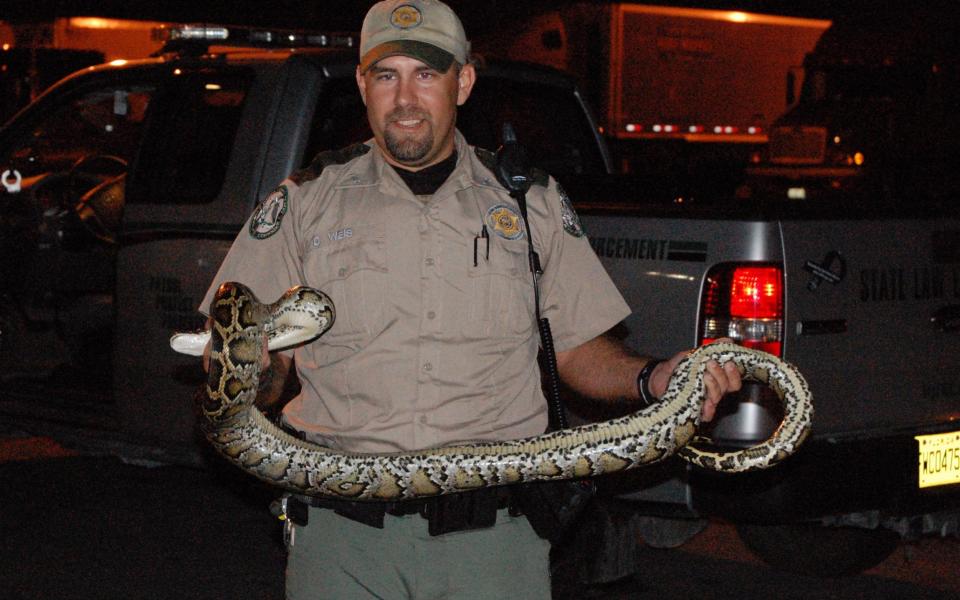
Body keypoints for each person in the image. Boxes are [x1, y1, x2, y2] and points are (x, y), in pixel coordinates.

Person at [199, 1, 741, 598]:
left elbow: (578, 348)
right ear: (362, 85)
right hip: (340, 539)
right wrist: (248, 375)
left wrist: (655, 379)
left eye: (426, 74)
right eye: (387, 75)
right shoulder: (304, 202)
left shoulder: (528, 203)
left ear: (464, 82)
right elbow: (262, 368)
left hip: (493, 543)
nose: (405, 98)